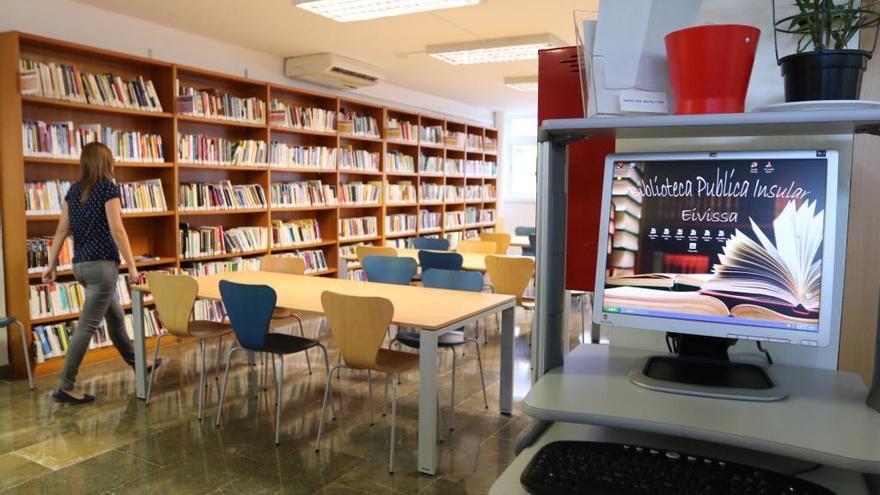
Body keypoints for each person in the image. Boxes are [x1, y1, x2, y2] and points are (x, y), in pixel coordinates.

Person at [43, 142, 155, 404]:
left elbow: (61, 231)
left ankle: (139, 364)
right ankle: (65, 385)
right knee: (86, 327)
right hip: (103, 268)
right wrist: (132, 266)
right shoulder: (107, 188)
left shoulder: (73, 191)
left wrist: (51, 266)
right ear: (106, 163)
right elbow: (118, 230)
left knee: (115, 319)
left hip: (81, 266)